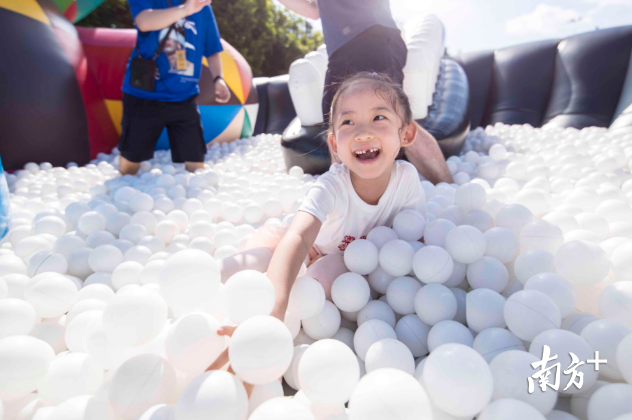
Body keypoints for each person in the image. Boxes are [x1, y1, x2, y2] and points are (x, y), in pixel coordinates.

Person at [208, 73, 429, 389]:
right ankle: (219, 313)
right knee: (242, 266)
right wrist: (272, 310)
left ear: (406, 134)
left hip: (346, 257)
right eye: (349, 122)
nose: (363, 132)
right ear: (335, 144)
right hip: (297, 241)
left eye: (379, 117)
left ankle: (277, 330)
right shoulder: (332, 185)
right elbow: (297, 237)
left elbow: (413, 239)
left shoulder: (406, 179)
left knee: (313, 288)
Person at [277, 0, 453, 184]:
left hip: (369, 35)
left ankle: (448, 190)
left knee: (395, 118)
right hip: (343, 49)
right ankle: (346, 200)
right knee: (337, 128)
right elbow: (313, 10)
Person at [118, 0, 231, 175]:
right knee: (130, 163)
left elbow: (212, 50)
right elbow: (143, 22)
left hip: (185, 98)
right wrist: (185, 9)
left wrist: (219, 79)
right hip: (144, 96)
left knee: (196, 164)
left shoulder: (203, 7)